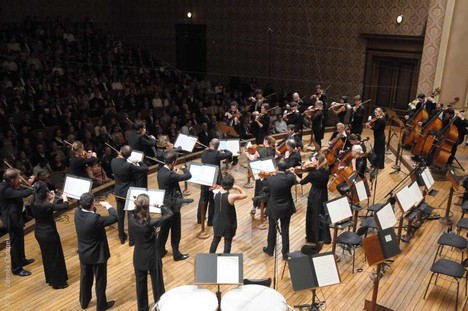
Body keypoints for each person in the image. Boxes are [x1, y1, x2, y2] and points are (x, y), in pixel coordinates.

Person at [129, 194, 174, 311]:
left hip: (138, 256)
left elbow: (131, 211)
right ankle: (160, 305)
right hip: (152, 256)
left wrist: (136, 203)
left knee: (140, 285)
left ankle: (142, 308)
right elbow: (169, 214)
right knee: (157, 283)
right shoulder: (151, 222)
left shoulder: (131, 219)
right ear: (148, 206)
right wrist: (161, 206)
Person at [74, 192, 117, 311]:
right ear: (92, 203)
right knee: (100, 281)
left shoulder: (77, 213)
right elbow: (115, 217)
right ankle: (101, 306)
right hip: (97, 255)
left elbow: (86, 209)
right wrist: (108, 206)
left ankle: (84, 301)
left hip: (84, 252)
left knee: (85, 278)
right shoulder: (95, 219)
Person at [30, 181, 69, 288]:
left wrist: (51, 199)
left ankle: (51, 279)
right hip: (49, 233)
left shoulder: (33, 201)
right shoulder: (45, 205)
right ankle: (58, 283)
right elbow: (65, 206)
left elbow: (47, 207)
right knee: (55, 256)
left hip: (39, 232)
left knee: (48, 257)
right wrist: (64, 196)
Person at [157, 151, 192, 261]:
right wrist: (183, 167)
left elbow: (171, 179)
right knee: (176, 230)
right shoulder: (170, 175)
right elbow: (188, 175)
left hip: (164, 204)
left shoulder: (161, 171)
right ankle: (176, 254)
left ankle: (160, 251)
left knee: (164, 229)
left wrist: (173, 171)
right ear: (173, 162)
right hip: (173, 205)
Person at [111, 145, 149, 245]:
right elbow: (145, 169)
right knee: (131, 216)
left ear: (120, 151)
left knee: (120, 215)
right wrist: (139, 162)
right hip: (128, 193)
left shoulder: (113, 161)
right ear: (130, 155)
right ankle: (132, 240)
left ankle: (121, 237)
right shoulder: (129, 166)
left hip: (118, 192)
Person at [0, 168, 34, 276]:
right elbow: (21, 194)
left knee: (20, 240)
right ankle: (16, 268)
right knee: (15, 244)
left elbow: (18, 190)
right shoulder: (3, 188)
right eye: (18, 178)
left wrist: (27, 184)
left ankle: (22, 259)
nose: (19, 180)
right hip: (11, 219)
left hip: (16, 216)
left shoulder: (8, 185)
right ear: (11, 179)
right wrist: (33, 188)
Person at [291, 154, 331, 244]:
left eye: (313, 160)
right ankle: (324, 237)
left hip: (315, 195)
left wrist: (294, 174)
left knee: (314, 215)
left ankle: (314, 237)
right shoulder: (327, 170)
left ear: (317, 161)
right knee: (322, 214)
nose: (312, 162)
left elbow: (302, 182)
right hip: (323, 194)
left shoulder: (314, 173)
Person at [262, 160, 297, 259]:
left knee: (272, 228)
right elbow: (293, 177)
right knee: (285, 230)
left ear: (277, 168)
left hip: (273, 208)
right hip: (286, 207)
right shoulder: (290, 178)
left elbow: (266, 188)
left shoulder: (270, 179)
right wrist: (289, 171)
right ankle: (285, 254)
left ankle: (270, 249)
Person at [198, 139, 233, 226]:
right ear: (218, 146)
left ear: (210, 144)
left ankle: (200, 219)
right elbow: (229, 153)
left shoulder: (204, 153)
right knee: (212, 201)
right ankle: (210, 221)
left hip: (204, 178)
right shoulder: (217, 154)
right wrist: (223, 150)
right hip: (214, 180)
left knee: (203, 198)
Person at [209, 175, 247, 253]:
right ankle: (225, 260)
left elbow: (219, 189)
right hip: (227, 223)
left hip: (217, 222)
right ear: (231, 185)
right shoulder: (231, 197)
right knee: (227, 242)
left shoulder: (215, 194)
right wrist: (237, 187)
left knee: (215, 240)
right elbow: (245, 194)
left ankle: (210, 258)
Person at [244, 136, 277, 215]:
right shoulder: (273, 150)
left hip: (261, 173)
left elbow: (252, 159)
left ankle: (254, 208)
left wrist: (247, 154)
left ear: (266, 141)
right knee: (268, 192)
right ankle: (266, 210)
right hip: (269, 174)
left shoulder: (260, 149)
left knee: (258, 191)